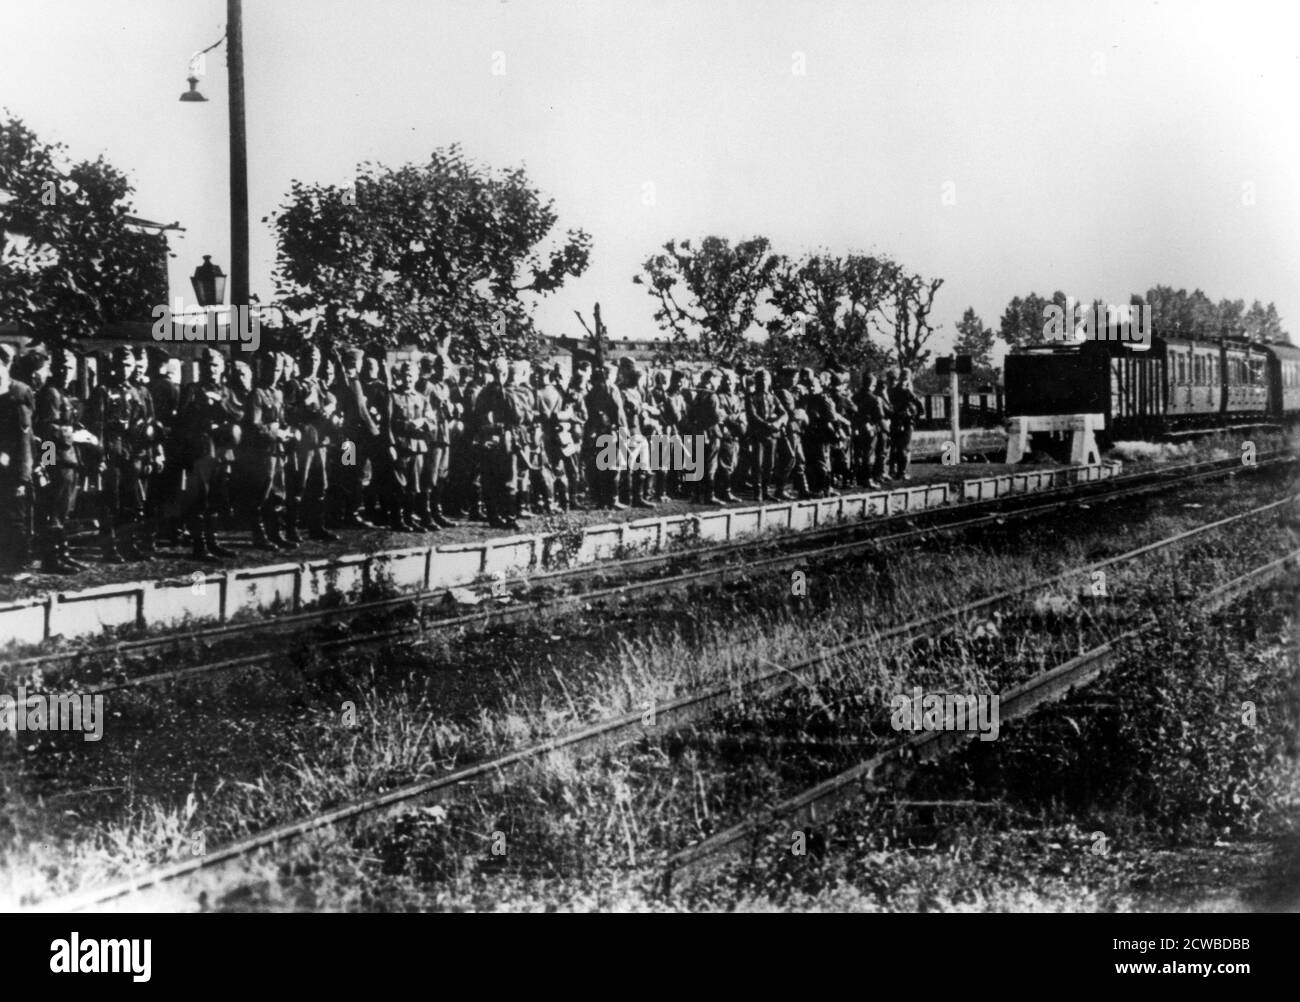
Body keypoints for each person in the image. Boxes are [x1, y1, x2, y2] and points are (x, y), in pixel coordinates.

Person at [175, 347, 241, 560]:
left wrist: (219, 402)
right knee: (199, 499)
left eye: (215, 365)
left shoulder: (227, 391)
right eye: (207, 365)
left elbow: (239, 413)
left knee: (216, 498)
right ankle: (199, 545)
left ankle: (213, 542)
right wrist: (200, 410)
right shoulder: (192, 390)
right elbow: (181, 420)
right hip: (202, 449)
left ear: (222, 368)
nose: (211, 369)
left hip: (222, 450)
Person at [87, 346, 152, 563]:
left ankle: (128, 544)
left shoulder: (139, 392)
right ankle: (109, 547)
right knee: (109, 501)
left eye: (128, 365)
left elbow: (148, 424)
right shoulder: (102, 391)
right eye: (120, 365)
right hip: (110, 454)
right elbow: (97, 427)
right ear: (113, 366)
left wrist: (149, 454)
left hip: (132, 454)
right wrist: (98, 457)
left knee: (130, 501)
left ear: (134, 366)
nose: (124, 369)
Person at [34, 347, 86, 573]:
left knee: (64, 510)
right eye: (61, 367)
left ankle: (62, 553)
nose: (66, 371)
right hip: (58, 460)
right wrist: (48, 465)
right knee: (54, 509)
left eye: (70, 368)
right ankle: (52, 559)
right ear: (54, 368)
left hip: (68, 458)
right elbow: (45, 428)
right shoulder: (51, 393)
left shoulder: (63, 393)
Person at [386, 357, 434, 531]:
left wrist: (422, 421)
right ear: (401, 376)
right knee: (399, 484)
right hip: (400, 445)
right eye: (406, 375)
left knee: (414, 485)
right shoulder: (393, 396)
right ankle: (397, 520)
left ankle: (409, 518)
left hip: (417, 446)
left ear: (417, 376)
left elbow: (431, 421)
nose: (408, 379)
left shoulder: (421, 398)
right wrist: (391, 445)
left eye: (411, 375)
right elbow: (387, 423)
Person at [0, 349, 36, 576]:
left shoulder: (18, 392)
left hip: (16, 467)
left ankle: (18, 566)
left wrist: (42, 466)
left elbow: (27, 434)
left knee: (16, 517)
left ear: (6, 364)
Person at [745, 367, 786, 502]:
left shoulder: (773, 397)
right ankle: (758, 492)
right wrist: (767, 425)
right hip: (758, 435)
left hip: (772, 435)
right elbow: (753, 415)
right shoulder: (751, 397)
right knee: (757, 463)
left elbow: (784, 413)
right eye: (760, 380)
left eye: (766, 380)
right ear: (756, 382)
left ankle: (765, 490)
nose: (763, 383)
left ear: (769, 381)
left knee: (770, 464)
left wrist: (778, 423)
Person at [686, 369, 724, 505]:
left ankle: (696, 495)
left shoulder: (698, 394)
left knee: (698, 464)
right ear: (712, 379)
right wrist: (722, 414)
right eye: (718, 379)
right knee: (710, 466)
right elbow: (716, 417)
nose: (720, 382)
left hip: (697, 432)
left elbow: (690, 415)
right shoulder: (712, 395)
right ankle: (709, 496)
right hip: (710, 432)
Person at [888, 368, 923, 481]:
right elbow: (919, 404)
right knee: (904, 447)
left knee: (894, 446)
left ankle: (892, 470)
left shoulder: (891, 390)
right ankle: (901, 472)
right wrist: (917, 416)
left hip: (894, 421)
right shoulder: (907, 391)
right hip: (906, 421)